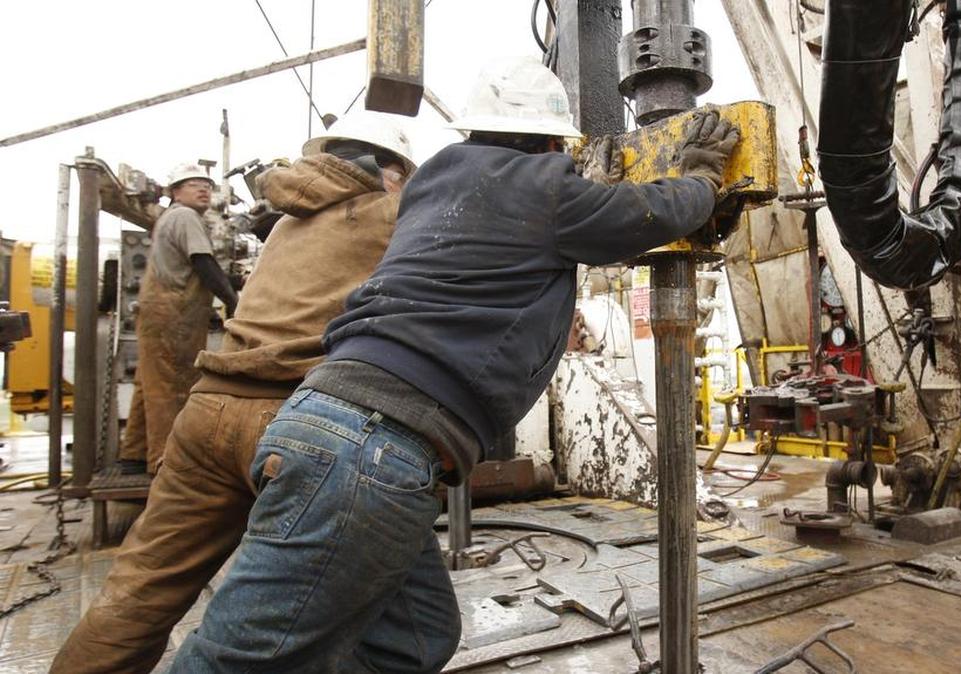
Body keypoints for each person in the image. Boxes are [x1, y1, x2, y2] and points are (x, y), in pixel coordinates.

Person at [169, 57, 739, 673]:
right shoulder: (544, 187)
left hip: (331, 423)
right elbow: (650, 213)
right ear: (551, 142)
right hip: (372, 453)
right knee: (234, 660)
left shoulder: (433, 180)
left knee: (416, 637)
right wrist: (701, 179)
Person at [51, 111, 418, 674]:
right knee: (295, 608)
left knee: (141, 587)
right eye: (403, 176)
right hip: (295, 420)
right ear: (387, 170)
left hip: (208, 410)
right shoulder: (391, 214)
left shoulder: (286, 224)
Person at [115, 163, 239, 475]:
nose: (203, 190)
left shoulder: (170, 217)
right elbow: (204, 263)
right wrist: (234, 301)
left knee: (150, 382)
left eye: (206, 185)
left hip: (159, 310)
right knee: (173, 386)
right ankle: (166, 464)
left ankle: (134, 453)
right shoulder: (185, 216)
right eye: (194, 184)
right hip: (174, 312)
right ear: (175, 192)